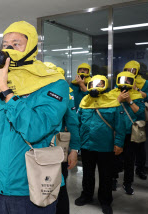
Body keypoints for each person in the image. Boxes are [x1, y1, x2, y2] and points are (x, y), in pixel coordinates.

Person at [0, 21, 69, 214]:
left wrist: (6, 91)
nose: (9, 49)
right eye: (5, 44)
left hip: (32, 187)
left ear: (31, 48)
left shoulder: (54, 84)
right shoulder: (1, 83)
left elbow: (35, 129)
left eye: (16, 43)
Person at [74, 75, 125, 214]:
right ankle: (87, 195)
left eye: (99, 83)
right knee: (87, 173)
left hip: (105, 146)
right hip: (86, 145)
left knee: (106, 175)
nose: (95, 86)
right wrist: (76, 142)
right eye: (92, 83)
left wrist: (119, 143)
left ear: (105, 84)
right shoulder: (85, 100)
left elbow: (120, 126)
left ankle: (105, 200)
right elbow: (77, 121)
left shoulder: (113, 101)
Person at [111, 71, 145, 195]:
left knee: (130, 160)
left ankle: (128, 183)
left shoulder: (137, 96)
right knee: (114, 158)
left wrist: (130, 100)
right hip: (115, 132)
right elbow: (108, 109)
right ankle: (113, 179)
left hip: (131, 133)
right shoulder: (112, 94)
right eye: (122, 80)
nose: (124, 84)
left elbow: (140, 113)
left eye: (128, 81)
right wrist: (118, 99)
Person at [54, 65, 80, 214]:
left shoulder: (67, 93)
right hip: (35, 148)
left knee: (60, 186)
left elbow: (72, 122)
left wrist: (74, 149)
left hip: (57, 147)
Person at [123, 60, 148, 180]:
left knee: (140, 146)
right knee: (123, 147)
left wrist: (139, 93)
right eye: (127, 70)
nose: (129, 72)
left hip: (138, 117)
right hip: (124, 117)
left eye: (132, 70)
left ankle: (140, 169)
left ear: (137, 71)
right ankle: (121, 171)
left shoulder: (145, 83)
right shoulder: (121, 81)